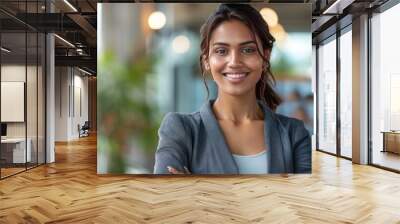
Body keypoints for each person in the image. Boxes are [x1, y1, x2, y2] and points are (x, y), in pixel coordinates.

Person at [153, 3, 311, 174]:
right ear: (207, 60)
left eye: (248, 50)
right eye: (221, 51)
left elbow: (304, 199)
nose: (234, 61)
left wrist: (195, 190)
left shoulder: (294, 134)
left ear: (265, 57)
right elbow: (167, 198)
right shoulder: (180, 129)